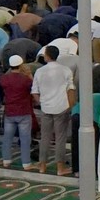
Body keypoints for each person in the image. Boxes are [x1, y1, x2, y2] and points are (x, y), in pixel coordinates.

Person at [31, 44, 75, 175]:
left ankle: (42, 166)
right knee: (60, 138)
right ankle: (60, 168)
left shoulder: (40, 71)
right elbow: (71, 89)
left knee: (45, 138)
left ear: (47, 56)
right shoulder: (65, 70)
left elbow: (34, 91)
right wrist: (71, 105)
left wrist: (42, 102)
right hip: (62, 107)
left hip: (46, 108)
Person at [0, 54, 34, 169]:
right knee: (25, 139)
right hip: (24, 111)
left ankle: (6, 160)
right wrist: (29, 74)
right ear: (21, 65)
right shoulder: (25, 80)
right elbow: (33, 87)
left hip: (10, 112)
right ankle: (26, 163)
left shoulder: (4, 79)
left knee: (7, 138)